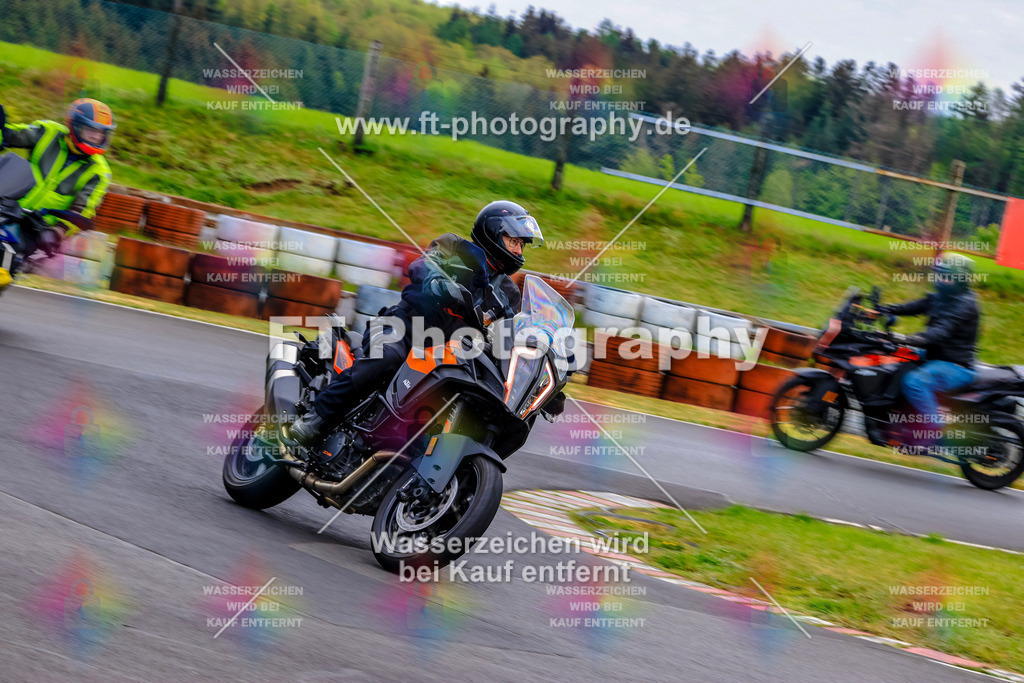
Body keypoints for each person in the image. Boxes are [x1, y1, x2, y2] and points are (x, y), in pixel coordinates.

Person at [284, 200, 546, 446]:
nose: (518, 250)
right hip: (406, 328)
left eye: (522, 245)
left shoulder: (509, 294)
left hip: (451, 357)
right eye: (514, 242)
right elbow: (423, 265)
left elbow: (513, 334)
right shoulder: (454, 247)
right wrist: (436, 280)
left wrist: (539, 377)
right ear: (492, 233)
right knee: (386, 357)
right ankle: (317, 418)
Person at [0, 98, 114, 268]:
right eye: (91, 129)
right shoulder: (48, 131)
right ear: (74, 125)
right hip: (8, 205)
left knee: (10, 257)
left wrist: (58, 231)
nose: (97, 136)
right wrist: (3, 133)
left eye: (101, 132)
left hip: (35, 226)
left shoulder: (99, 172)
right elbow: (13, 135)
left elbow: (83, 209)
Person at [881, 252, 979, 430]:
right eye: (940, 275)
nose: (940, 279)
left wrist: (908, 338)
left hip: (956, 366)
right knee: (895, 358)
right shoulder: (943, 296)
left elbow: (940, 332)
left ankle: (938, 431)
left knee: (915, 382)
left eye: (946, 276)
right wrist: (886, 309)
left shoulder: (965, 304)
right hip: (935, 357)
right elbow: (917, 306)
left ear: (959, 279)